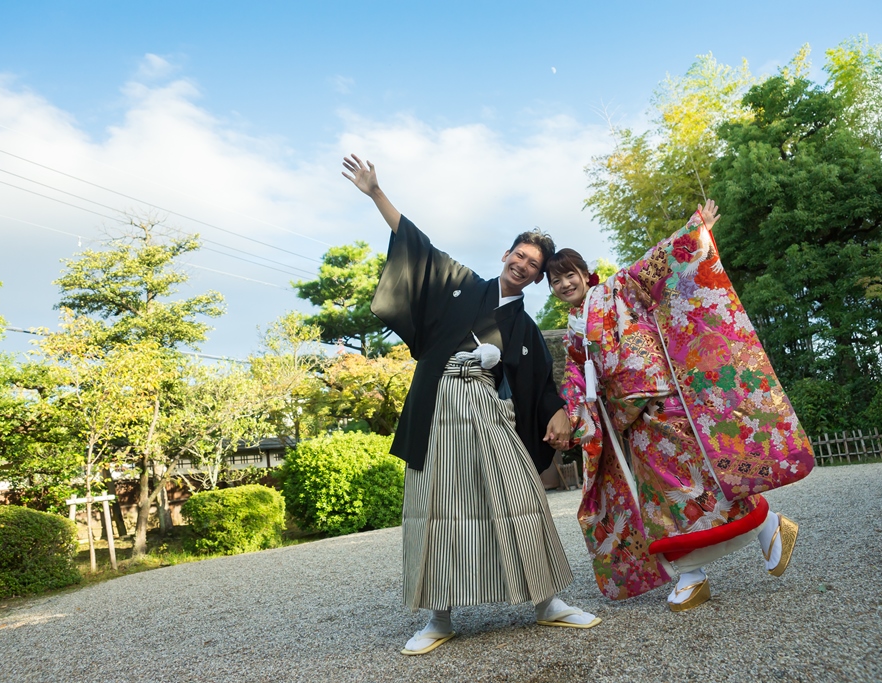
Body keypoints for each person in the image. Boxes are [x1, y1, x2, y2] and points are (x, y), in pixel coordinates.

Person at [342, 155, 600, 656]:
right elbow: (416, 245)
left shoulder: (524, 327)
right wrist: (376, 193)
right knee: (438, 505)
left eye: (533, 265)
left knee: (521, 496)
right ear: (506, 254)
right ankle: (439, 618)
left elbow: (542, 385)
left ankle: (546, 602)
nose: (522, 266)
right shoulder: (459, 283)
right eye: (519, 256)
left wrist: (558, 411)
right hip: (440, 401)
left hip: (486, 407)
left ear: (536, 276)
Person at [546, 200, 815, 611]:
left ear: (585, 274)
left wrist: (695, 231)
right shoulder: (574, 326)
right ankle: (693, 572)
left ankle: (766, 525)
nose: (564, 284)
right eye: (556, 280)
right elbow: (576, 377)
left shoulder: (616, 288)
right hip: (624, 418)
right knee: (657, 494)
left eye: (569, 274)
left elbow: (655, 263)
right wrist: (571, 413)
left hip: (657, 400)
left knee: (696, 475)